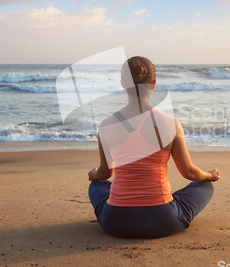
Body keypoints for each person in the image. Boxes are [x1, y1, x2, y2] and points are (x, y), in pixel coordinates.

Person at [88, 56, 220, 238]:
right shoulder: (170, 123)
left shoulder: (106, 125)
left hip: (116, 222)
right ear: (153, 84)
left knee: (97, 185)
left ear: (122, 84)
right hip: (162, 219)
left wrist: (93, 174)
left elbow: (104, 174)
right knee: (205, 185)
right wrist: (210, 176)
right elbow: (189, 172)